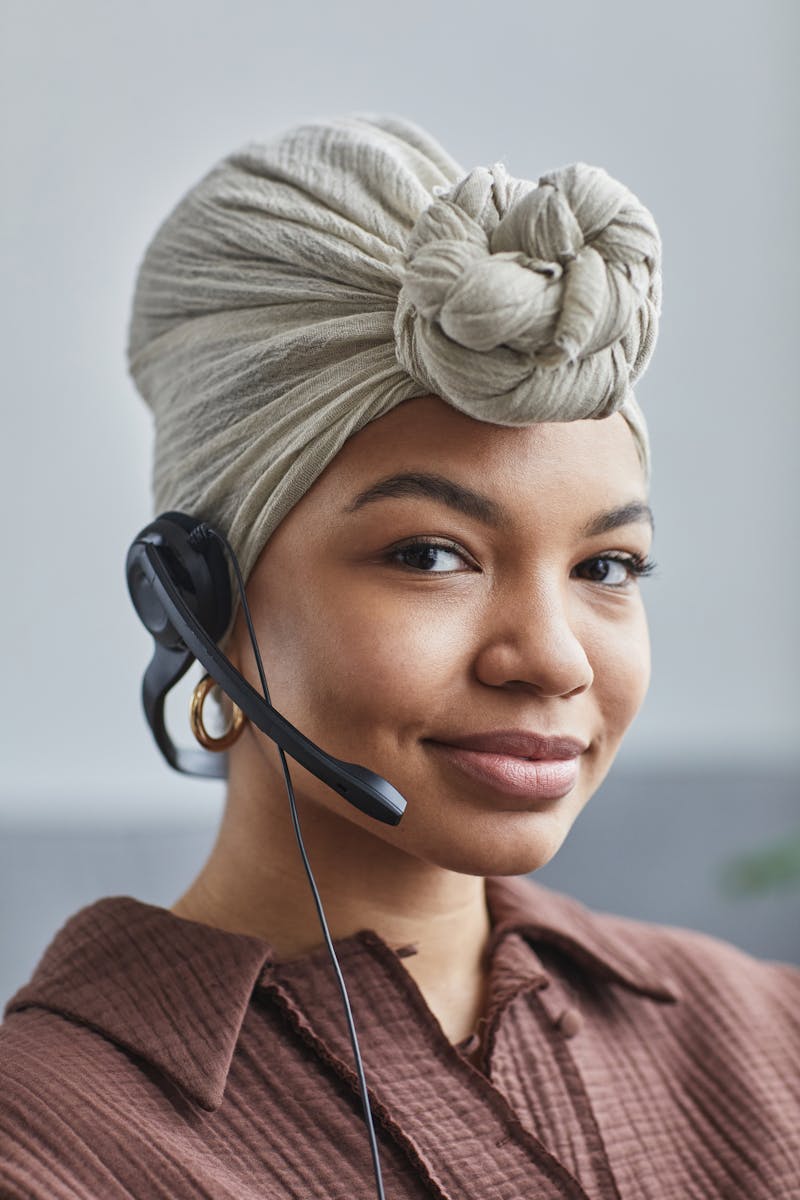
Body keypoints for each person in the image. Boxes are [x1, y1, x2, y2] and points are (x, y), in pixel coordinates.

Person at [1, 114, 797, 1199]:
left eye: (607, 567)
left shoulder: (766, 1046)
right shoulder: (44, 1142)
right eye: (431, 554)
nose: (552, 659)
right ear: (194, 601)